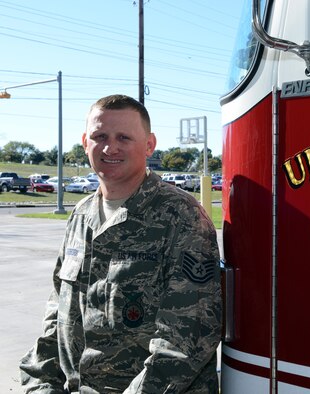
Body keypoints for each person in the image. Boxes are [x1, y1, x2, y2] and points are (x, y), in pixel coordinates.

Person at [20, 94, 222, 393]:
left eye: (124, 137)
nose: (109, 147)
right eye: (99, 136)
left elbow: (186, 339)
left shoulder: (179, 215)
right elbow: (57, 318)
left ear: (149, 145)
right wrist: (41, 385)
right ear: (85, 141)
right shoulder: (81, 214)